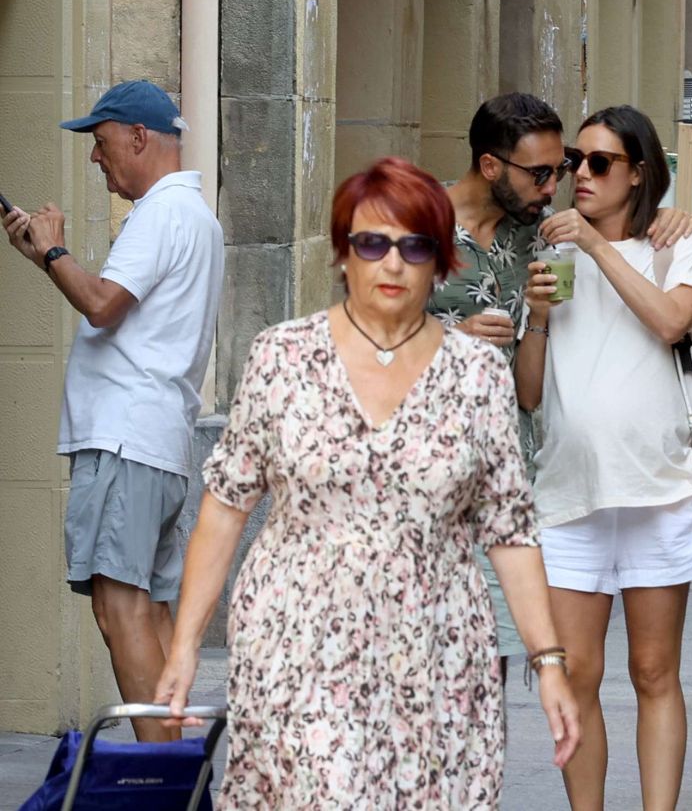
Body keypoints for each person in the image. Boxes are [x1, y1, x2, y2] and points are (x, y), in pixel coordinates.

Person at [154, 158, 581, 801]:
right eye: (371, 242)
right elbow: (225, 505)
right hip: (295, 642)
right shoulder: (282, 356)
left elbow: (510, 532)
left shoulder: (477, 375)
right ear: (343, 254)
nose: (391, 263)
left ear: (441, 261)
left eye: (414, 246)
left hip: (437, 652)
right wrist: (185, 646)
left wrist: (548, 663)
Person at [433, 93, 692, 674]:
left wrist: (675, 214)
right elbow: (362, 336)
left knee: (493, 659)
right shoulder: (415, 227)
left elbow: (643, 246)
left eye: (566, 167)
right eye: (542, 173)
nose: (556, 185)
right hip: (427, 475)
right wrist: (449, 339)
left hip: (514, 481)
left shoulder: (543, 237)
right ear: (492, 166)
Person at [516, 105, 692, 811]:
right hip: (570, 494)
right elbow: (530, 390)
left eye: (600, 162)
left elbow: (672, 321)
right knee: (576, 674)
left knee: (653, 669)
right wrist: (537, 318)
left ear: (638, 172)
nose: (580, 174)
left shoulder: (679, 247)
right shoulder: (553, 255)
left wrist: (601, 247)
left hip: (657, 488)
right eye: (576, 159)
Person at [3, 81, 222, 744]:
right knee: (148, 613)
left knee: (118, 607)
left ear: (138, 135)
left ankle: (163, 779)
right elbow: (113, 305)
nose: (96, 160)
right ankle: (178, 775)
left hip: (126, 440)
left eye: (100, 144)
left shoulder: (160, 213)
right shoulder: (194, 216)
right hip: (158, 443)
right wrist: (46, 256)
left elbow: (102, 303)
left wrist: (54, 248)